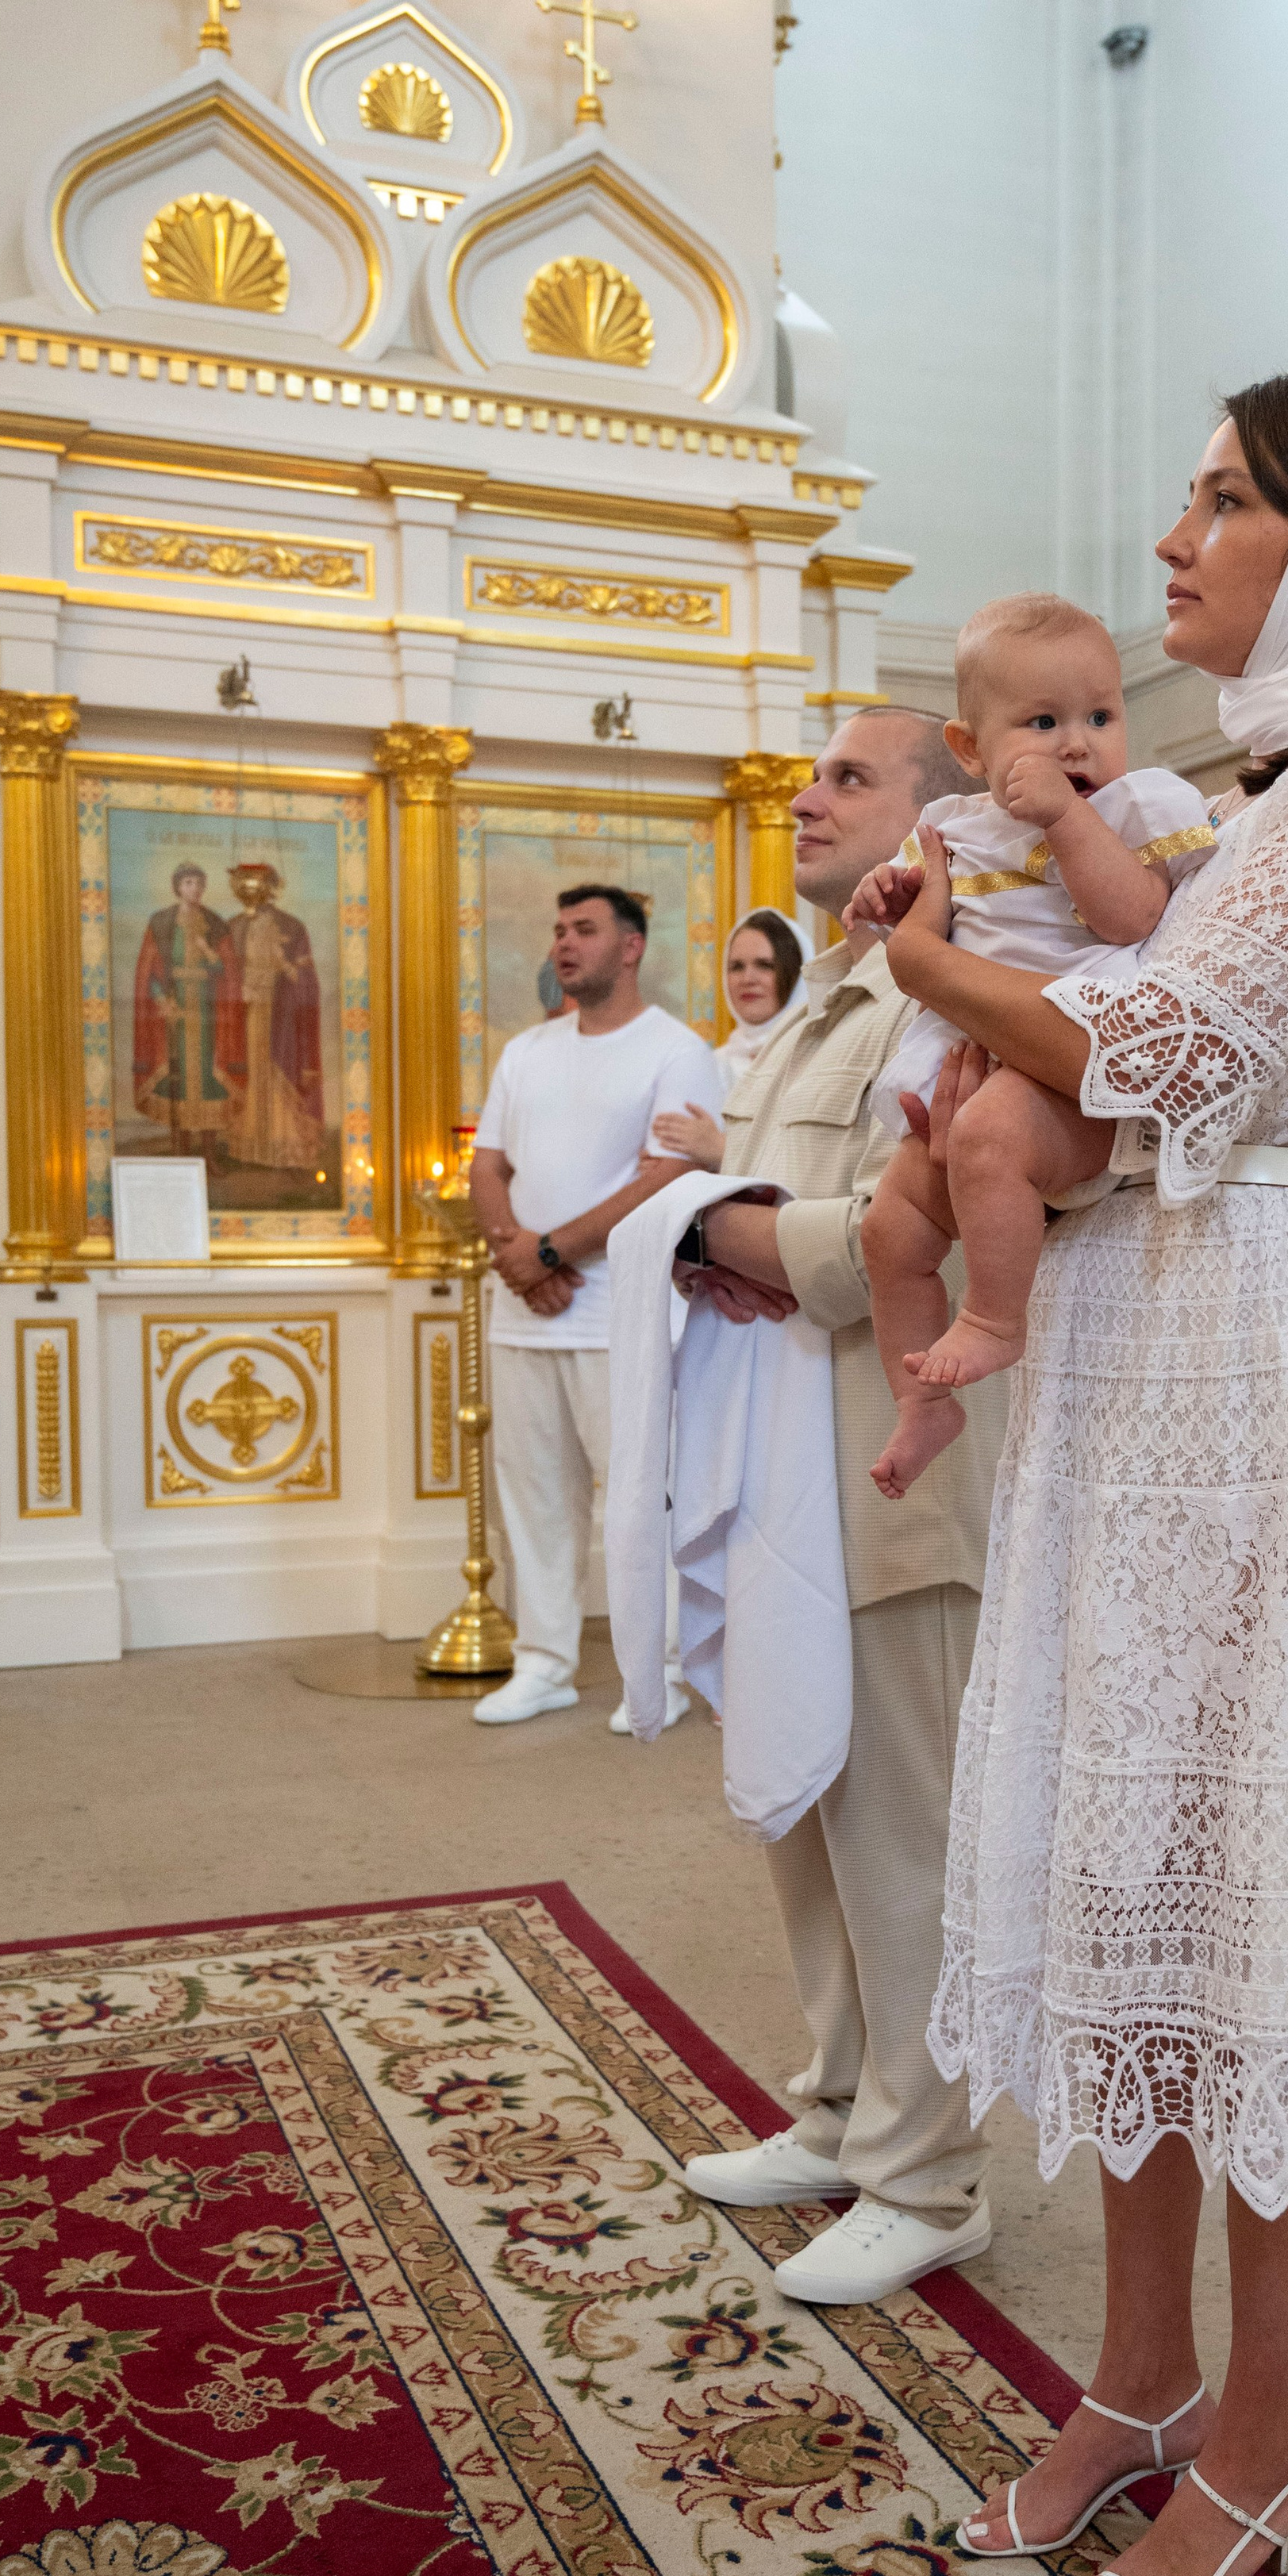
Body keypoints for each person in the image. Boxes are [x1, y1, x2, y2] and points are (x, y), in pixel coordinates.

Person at [882, 371, 1288, 2576]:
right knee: (1125, 1865)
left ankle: (1267, 2424)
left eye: (1224, 502)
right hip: (1136, 1328)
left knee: (1252, 1880)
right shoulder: (1266, 769)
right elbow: (1118, 1021)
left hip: (1255, 1330)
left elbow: (1154, 1056)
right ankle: (1140, 2373)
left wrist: (928, 961)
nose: (1173, 540)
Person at [669, 707, 1008, 2309]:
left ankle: (928, 2173)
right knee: (805, 1789)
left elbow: (899, 1225)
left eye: (848, 779)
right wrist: (712, 1224)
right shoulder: (815, 1005)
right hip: (786, 1463)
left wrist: (708, 1225)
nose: (804, 797)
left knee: (902, 1831)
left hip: (897, 1464)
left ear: (935, 823)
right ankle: (836, 2108)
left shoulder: (955, 989)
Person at [846, 599, 1213, 1497]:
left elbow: (1133, 916)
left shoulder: (1136, 806)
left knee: (986, 1139)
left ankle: (995, 1318)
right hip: (969, 1051)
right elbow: (919, 928)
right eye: (1041, 723)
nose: (1077, 743)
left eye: (1099, 715)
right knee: (889, 1231)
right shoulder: (955, 827)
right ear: (969, 748)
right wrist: (888, 895)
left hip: (1072, 1060)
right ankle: (920, 1403)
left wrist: (1062, 819)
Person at [467, 884, 723, 1728]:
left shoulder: (675, 1050)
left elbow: (666, 1174)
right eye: (558, 931)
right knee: (534, 1494)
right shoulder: (526, 1052)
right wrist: (517, 1251)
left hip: (619, 1308)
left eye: (584, 929)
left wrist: (548, 1251)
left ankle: (662, 1669)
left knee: (636, 1493)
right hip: (525, 1312)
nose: (564, 944)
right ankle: (545, 1661)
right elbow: (487, 1165)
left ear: (631, 946)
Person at [221, 859, 325, 1177]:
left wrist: (282, 966)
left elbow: (306, 982)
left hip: (280, 1015)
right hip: (243, 1013)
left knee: (275, 1072)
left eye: (257, 881)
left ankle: (284, 1148)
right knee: (249, 1073)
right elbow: (222, 974)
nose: (250, 888)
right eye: (244, 880)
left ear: (270, 886)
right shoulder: (233, 926)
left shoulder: (291, 927)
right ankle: (248, 1144)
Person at [133, 861, 235, 1161]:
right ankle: (181, 1152)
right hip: (173, 1014)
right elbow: (147, 973)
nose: (195, 889)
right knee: (178, 1079)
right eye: (189, 883)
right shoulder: (161, 923)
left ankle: (209, 1154)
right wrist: (162, 1000)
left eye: (199, 883)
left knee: (207, 1079)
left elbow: (227, 971)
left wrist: (208, 952)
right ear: (178, 886)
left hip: (207, 1014)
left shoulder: (216, 925)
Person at [717, 907, 811, 1097]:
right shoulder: (711, 1065)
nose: (748, 979)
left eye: (765, 965)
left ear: (794, 975)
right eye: (736, 967)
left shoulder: (813, 1059)